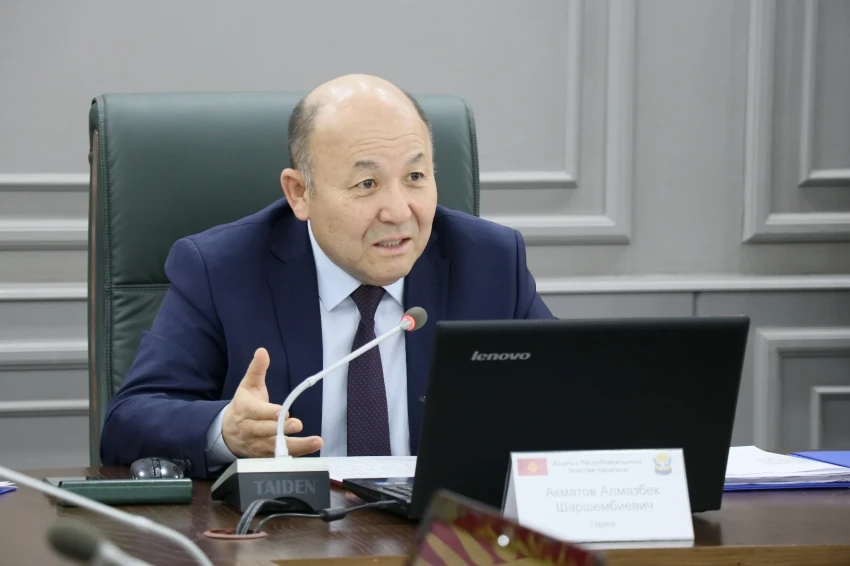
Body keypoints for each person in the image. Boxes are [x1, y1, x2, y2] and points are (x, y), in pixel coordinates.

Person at [99, 74, 554, 478]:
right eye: (367, 184)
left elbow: (568, 397)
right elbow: (129, 422)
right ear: (300, 193)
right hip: (286, 530)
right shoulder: (222, 270)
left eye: (415, 176)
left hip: (440, 530)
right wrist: (226, 431)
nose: (399, 211)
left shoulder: (490, 263)